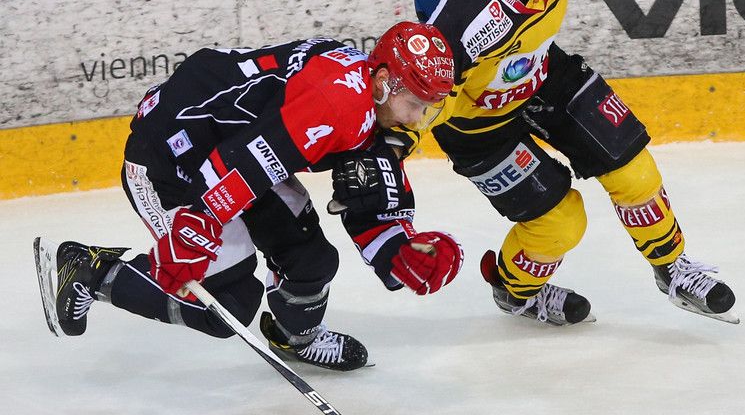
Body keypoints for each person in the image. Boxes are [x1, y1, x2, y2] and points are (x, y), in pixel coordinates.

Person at [34, 23, 465, 371]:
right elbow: (247, 159)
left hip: (232, 148)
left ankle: (295, 338)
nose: (419, 119)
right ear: (384, 82)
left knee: (310, 259)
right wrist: (198, 223)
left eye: (429, 108)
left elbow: (365, 194)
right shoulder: (336, 101)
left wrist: (403, 251)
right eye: (415, 103)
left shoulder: (369, 100)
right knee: (227, 307)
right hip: (169, 155)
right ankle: (94, 271)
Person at [404, 0, 737, 324]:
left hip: (542, 73)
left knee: (634, 170)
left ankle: (673, 269)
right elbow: (413, 110)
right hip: (477, 126)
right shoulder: (465, 24)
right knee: (561, 222)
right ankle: (515, 292)